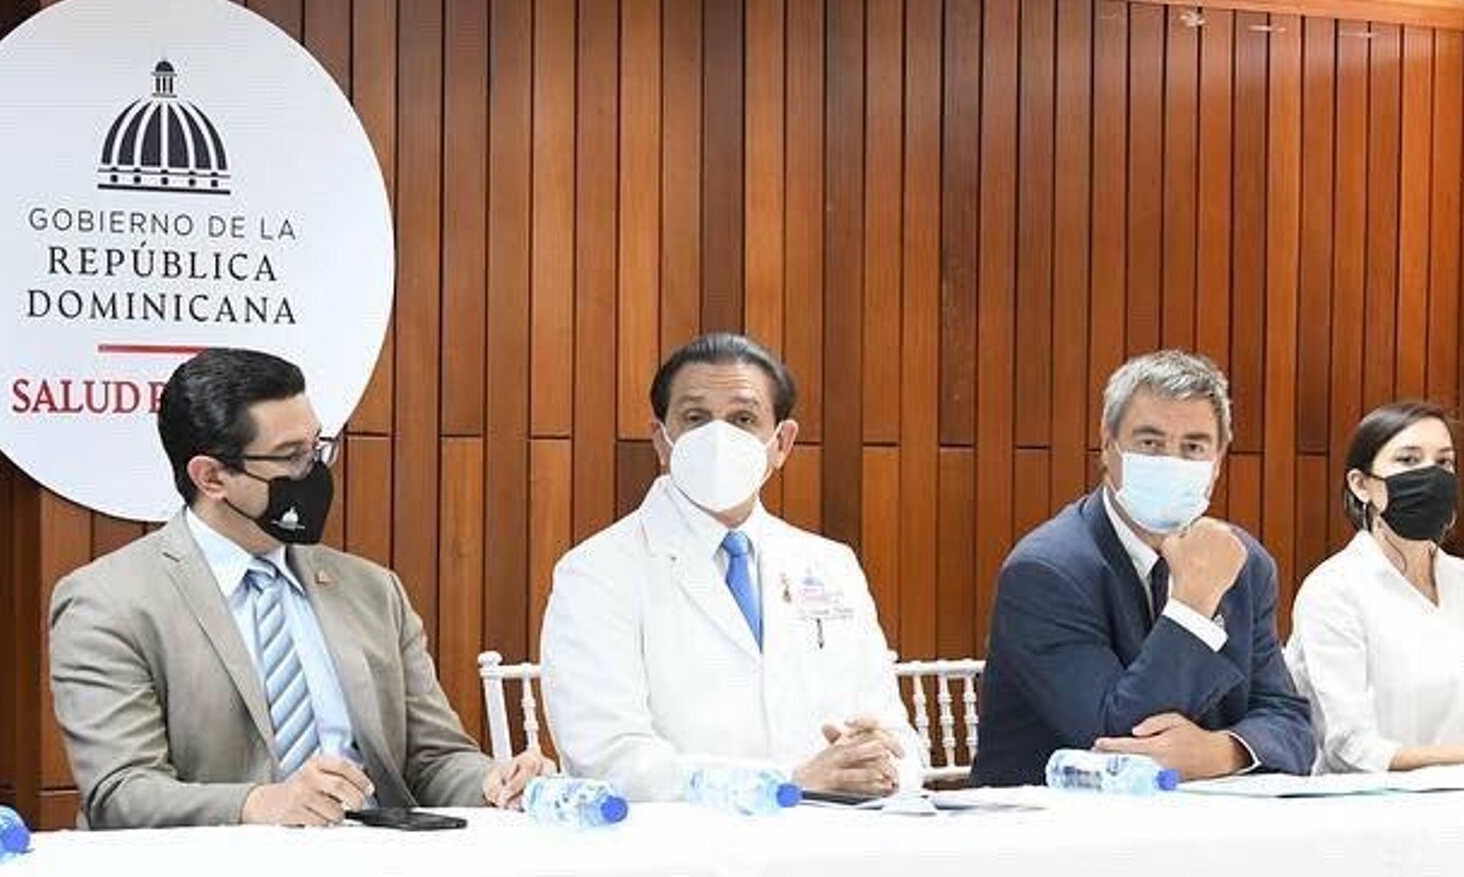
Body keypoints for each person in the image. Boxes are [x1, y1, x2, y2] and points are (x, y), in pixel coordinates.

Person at [50, 348, 544, 826]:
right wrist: (261, 804)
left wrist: (494, 782)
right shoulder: (108, 603)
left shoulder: (374, 590)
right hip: (210, 875)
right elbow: (122, 793)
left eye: (317, 448)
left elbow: (434, 758)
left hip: (381, 866)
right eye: (290, 457)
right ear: (211, 477)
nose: (314, 472)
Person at [538, 331, 920, 802]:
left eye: (743, 419)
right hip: (683, 843)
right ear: (662, 440)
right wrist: (787, 784)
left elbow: (897, 737)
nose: (718, 439)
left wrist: (881, 766)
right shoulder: (595, 572)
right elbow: (609, 759)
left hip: (837, 832)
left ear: (781, 443)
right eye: (695, 419)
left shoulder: (830, 565)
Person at [971, 349, 1313, 787]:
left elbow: (1291, 725)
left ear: (1218, 461)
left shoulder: (1242, 562)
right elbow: (1118, 740)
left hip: (1200, 815)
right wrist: (1193, 605)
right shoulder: (1046, 571)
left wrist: (1220, 751)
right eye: (1150, 443)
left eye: (1193, 447)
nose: (1172, 462)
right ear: (1107, 445)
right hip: (1051, 819)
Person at [1287, 401, 1464, 773]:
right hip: (1370, 802)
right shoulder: (1333, 591)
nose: (1431, 475)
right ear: (1361, 484)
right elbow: (1350, 749)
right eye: (1408, 460)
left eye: (1444, 462)